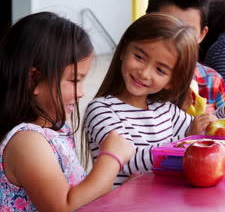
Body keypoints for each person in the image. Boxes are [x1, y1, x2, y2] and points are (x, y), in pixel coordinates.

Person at [85, 13, 225, 186]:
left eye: (160, 70)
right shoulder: (102, 109)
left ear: (171, 82)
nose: (144, 73)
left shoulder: (165, 110)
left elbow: (204, 130)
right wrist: (187, 140)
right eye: (139, 57)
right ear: (123, 50)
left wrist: (224, 113)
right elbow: (126, 161)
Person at [0, 12, 134, 211]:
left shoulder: (57, 131)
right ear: (33, 79)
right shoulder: (27, 141)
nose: (81, 93)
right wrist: (111, 158)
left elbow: (81, 194)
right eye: (74, 80)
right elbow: (64, 206)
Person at [146, 0, 225, 115]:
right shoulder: (137, 79)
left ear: (202, 34)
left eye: (187, 32)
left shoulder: (212, 81)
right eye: (167, 28)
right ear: (147, 24)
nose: (176, 39)